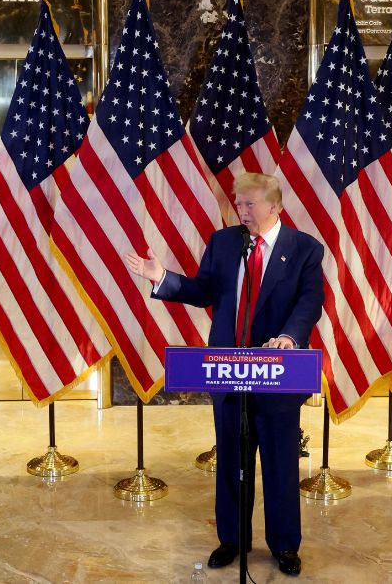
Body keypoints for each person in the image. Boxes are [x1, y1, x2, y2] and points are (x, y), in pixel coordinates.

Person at [125, 172, 324, 577]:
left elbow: (309, 301)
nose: (242, 210)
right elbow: (204, 291)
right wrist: (162, 278)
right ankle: (232, 539)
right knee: (232, 461)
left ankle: (285, 545)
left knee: (280, 464)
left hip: (277, 378)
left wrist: (289, 336)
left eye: (250, 204)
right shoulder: (224, 242)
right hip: (229, 375)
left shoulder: (303, 249)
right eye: (238, 202)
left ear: (274, 206)